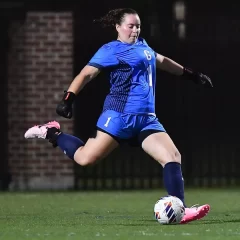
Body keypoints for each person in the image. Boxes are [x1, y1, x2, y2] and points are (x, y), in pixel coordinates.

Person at [24, 8, 213, 224]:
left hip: (146, 120)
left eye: (138, 26)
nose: (135, 30)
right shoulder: (110, 50)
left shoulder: (143, 46)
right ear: (118, 27)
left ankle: (181, 209)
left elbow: (162, 61)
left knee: (172, 157)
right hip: (119, 117)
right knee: (85, 158)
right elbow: (86, 74)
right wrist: (68, 98)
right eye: (130, 26)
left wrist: (191, 75)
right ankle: (52, 133)